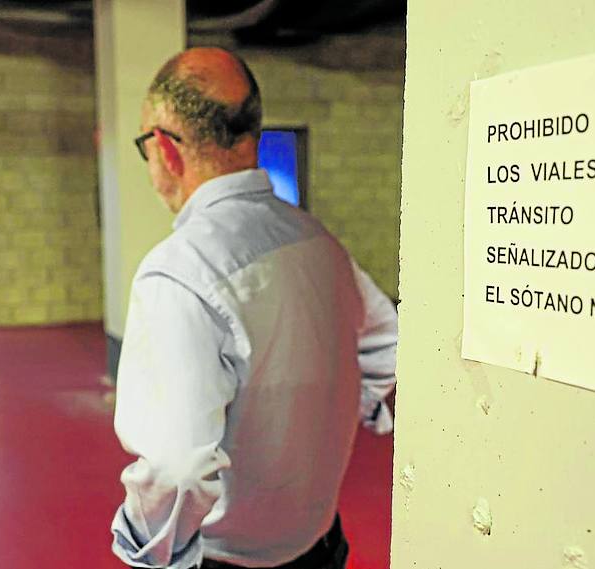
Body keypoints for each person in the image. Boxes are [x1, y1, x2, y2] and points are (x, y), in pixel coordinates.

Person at [110, 47, 398, 569]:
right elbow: (388, 344)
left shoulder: (178, 272)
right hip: (322, 544)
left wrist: (143, 550)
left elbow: (177, 470)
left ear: (164, 150)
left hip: (228, 561)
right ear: (251, 138)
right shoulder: (317, 240)